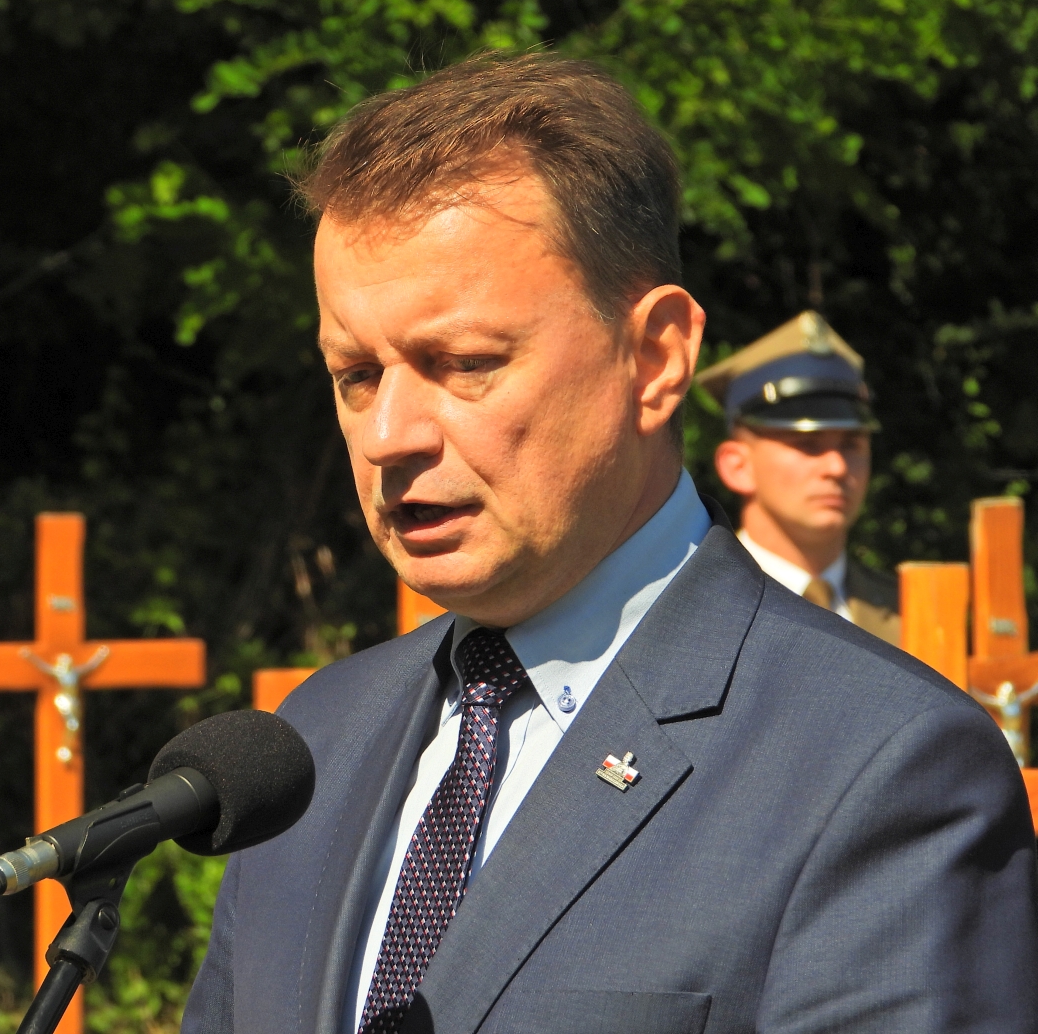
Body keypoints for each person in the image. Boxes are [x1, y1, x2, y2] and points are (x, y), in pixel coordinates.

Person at [183, 54, 1037, 1034]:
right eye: (357, 375)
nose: (388, 436)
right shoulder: (310, 745)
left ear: (656, 357)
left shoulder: (876, 766)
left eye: (464, 362)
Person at [700, 312, 900, 644]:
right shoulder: (692, 606)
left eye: (851, 444)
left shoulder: (916, 611)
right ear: (738, 466)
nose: (836, 467)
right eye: (807, 445)